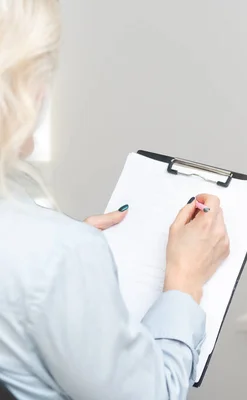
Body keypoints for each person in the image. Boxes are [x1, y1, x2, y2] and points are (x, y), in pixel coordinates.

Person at [0, 1, 230, 399]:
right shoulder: (57, 255)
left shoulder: (53, 252)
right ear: (23, 86)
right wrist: (185, 284)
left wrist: (65, 259)